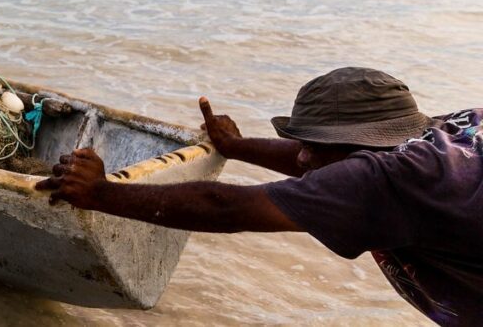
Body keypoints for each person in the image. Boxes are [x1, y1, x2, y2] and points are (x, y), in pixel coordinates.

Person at [36, 67, 482, 326]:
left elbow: (227, 207)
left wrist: (99, 194)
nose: (302, 154)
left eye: (314, 144)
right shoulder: (449, 131)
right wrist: (238, 146)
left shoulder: (387, 180)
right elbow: (333, 170)